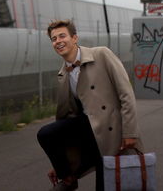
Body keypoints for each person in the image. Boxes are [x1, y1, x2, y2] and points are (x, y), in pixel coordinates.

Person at [36, 19, 143, 191]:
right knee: (46, 133)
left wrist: (130, 132)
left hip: (110, 130)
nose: (58, 41)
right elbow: (67, 116)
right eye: (54, 39)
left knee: (105, 185)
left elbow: (126, 94)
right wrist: (61, 165)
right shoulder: (63, 73)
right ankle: (68, 178)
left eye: (62, 36)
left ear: (75, 38)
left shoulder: (101, 54)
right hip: (88, 129)